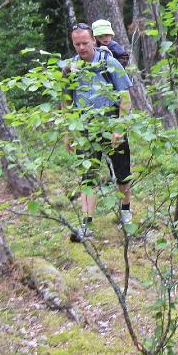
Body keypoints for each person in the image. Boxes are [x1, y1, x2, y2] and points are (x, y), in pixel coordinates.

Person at [62, 22, 133, 242]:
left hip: (111, 124)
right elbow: (66, 101)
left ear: (93, 40)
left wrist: (119, 127)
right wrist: (68, 131)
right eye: (77, 44)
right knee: (88, 176)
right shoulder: (70, 68)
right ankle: (86, 224)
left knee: (122, 173)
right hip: (85, 128)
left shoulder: (109, 62)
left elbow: (125, 97)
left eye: (85, 42)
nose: (81, 47)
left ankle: (126, 213)